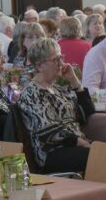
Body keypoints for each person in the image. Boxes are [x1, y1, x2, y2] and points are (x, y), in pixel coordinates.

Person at [17, 38, 93, 173]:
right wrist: (84, 144)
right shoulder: (32, 92)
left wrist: (75, 82)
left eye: (61, 58)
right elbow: (50, 133)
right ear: (40, 66)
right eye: (56, 60)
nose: (62, 63)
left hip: (72, 146)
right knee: (102, 157)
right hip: (51, 154)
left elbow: (85, 114)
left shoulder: (57, 88)